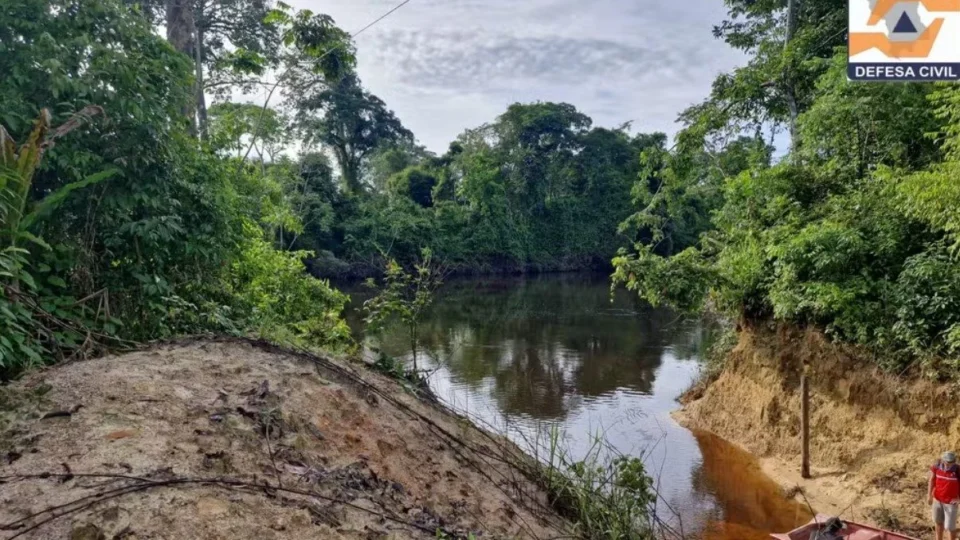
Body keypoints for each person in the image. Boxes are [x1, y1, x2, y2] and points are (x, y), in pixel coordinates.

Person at [930, 451, 960, 540]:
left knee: (949, 527)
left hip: (950, 502)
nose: (949, 464)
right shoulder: (936, 467)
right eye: (947, 462)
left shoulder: (958, 470)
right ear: (943, 460)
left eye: (951, 462)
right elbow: (932, 480)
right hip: (937, 499)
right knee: (938, 523)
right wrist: (929, 495)